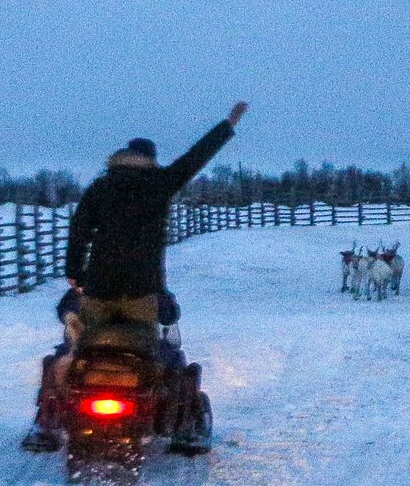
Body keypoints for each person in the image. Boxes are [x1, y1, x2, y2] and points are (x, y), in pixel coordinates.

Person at [22, 102, 248, 451]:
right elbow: (194, 158)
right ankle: (163, 418)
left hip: (98, 289)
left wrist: (74, 274)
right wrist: (227, 125)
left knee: (84, 353)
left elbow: (79, 230)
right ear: (151, 160)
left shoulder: (101, 187)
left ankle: (49, 423)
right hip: (142, 292)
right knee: (148, 358)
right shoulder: (159, 184)